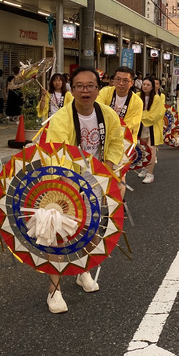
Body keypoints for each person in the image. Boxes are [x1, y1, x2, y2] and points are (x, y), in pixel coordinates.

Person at [45, 67, 128, 313]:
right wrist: (76, 181)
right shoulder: (61, 118)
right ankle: (54, 289)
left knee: (92, 230)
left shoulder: (108, 114)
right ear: (72, 89)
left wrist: (109, 169)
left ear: (98, 88)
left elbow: (115, 141)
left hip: (97, 182)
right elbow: (56, 153)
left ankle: (82, 270)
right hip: (65, 183)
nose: (85, 90)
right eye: (79, 85)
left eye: (90, 85)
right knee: (58, 234)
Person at [96, 66, 143, 141]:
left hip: (124, 139)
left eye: (125, 80)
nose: (121, 83)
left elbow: (131, 125)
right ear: (113, 80)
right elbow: (97, 111)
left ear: (132, 83)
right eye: (118, 79)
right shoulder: (104, 92)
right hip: (102, 135)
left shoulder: (137, 102)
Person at [138, 76, 165, 184]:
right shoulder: (137, 96)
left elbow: (156, 114)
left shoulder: (157, 98)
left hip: (152, 127)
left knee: (151, 150)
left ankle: (150, 173)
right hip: (141, 126)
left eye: (148, 85)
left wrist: (140, 117)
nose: (145, 86)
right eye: (144, 84)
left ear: (152, 87)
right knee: (143, 149)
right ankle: (144, 168)